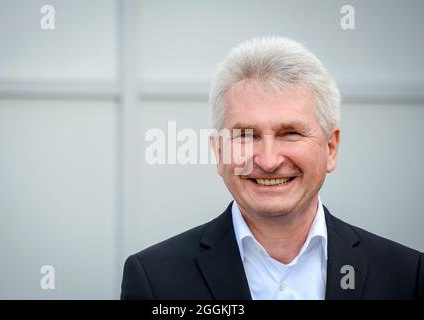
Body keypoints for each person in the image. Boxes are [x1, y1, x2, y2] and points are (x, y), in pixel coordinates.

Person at [121, 36, 423, 300]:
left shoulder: (408, 277)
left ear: (331, 148)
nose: (268, 160)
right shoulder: (155, 281)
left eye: (290, 133)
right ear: (219, 152)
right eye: (245, 135)